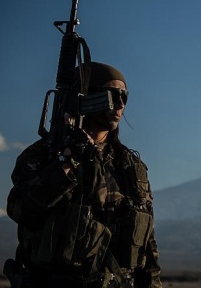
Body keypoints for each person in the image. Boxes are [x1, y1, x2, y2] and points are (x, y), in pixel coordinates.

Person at [6, 62, 162, 288]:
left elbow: (148, 247)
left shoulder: (131, 167)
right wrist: (66, 162)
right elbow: (20, 208)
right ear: (85, 97)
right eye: (111, 95)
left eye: (124, 97)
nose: (119, 104)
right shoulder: (45, 155)